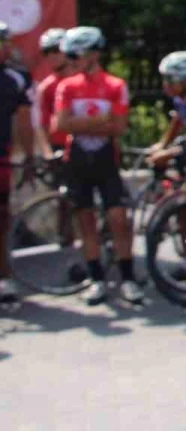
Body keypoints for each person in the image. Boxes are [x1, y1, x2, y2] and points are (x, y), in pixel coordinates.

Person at [50, 26, 142, 305]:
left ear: (92, 54)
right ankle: (97, 279)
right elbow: (60, 124)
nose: (71, 61)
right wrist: (100, 122)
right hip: (77, 158)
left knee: (118, 219)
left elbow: (119, 126)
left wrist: (81, 125)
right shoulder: (67, 86)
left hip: (106, 160)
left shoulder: (115, 86)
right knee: (85, 221)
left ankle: (127, 279)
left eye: (75, 55)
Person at [0, 21, 36, 303]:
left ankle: (4, 277)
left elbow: (24, 124)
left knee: (1, 217)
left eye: (5, 43)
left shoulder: (15, 79)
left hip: (1, 157)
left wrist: (29, 159)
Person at [32, 27, 71, 160]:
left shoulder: (83, 80)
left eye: (56, 50)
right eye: (46, 52)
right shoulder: (46, 87)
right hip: (58, 147)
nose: (51, 56)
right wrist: (47, 152)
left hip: (82, 144)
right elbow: (41, 123)